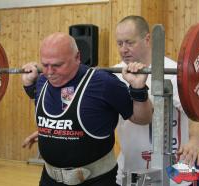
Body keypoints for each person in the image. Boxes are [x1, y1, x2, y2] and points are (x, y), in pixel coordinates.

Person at [21, 32, 153, 186]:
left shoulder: (103, 83)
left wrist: (139, 90)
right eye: (45, 65)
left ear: (77, 57)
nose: (49, 72)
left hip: (95, 180)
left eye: (57, 65)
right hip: (49, 179)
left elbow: (143, 118)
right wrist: (29, 87)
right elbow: (56, 110)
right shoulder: (42, 81)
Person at [114, 15, 199, 186]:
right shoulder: (115, 76)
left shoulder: (175, 72)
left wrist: (195, 140)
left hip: (177, 173)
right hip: (129, 172)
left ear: (147, 39)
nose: (123, 49)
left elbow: (198, 114)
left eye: (129, 42)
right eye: (119, 43)